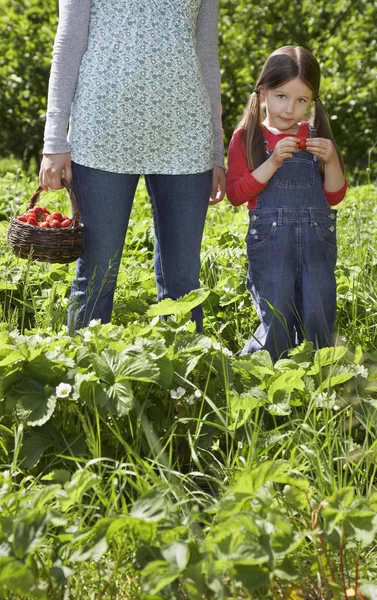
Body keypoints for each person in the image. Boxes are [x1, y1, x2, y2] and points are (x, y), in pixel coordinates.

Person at [39, 0, 225, 334]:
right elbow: (68, 43)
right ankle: (86, 378)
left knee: (183, 279)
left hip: (186, 132)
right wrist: (54, 140)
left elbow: (207, 54)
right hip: (102, 131)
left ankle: (182, 379)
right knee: (97, 273)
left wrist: (215, 148)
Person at [226, 46, 347, 361]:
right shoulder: (247, 138)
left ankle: (320, 366)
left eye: (301, 100)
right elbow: (236, 194)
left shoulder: (316, 136)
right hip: (271, 241)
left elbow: (334, 195)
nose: (290, 108)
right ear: (263, 91)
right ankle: (268, 366)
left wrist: (332, 159)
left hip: (316, 240)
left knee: (318, 304)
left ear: (311, 102)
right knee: (275, 305)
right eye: (281, 96)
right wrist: (272, 162)